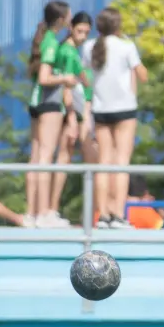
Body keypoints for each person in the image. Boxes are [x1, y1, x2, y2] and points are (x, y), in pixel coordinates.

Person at [83, 7, 147, 229]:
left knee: (104, 162)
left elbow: (84, 75)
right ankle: (118, 215)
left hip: (101, 109)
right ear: (118, 26)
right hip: (124, 109)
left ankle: (103, 215)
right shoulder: (126, 46)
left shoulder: (89, 46)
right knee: (121, 162)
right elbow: (143, 75)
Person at [26, 0, 79, 229]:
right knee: (45, 157)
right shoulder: (51, 42)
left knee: (37, 156)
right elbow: (44, 77)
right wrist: (65, 79)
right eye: (68, 16)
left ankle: (33, 213)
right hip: (48, 102)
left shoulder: (47, 39)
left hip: (38, 102)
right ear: (61, 19)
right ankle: (44, 213)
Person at [48, 11, 94, 223]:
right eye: (79, 31)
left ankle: (93, 213)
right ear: (71, 28)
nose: (83, 36)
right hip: (73, 111)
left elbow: (81, 80)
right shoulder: (67, 51)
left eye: (86, 32)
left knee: (87, 159)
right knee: (65, 157)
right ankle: (52, 209)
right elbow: (67, 86)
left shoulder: (74, 51)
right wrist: (73, 117)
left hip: (79, 110)